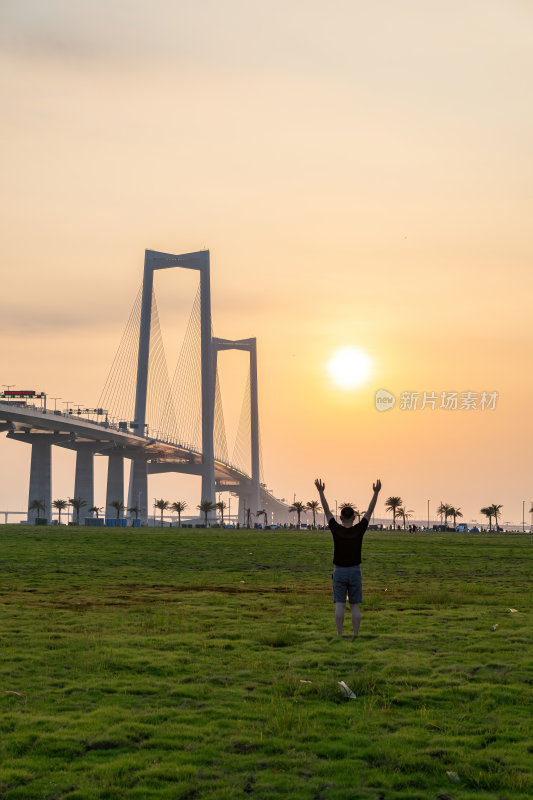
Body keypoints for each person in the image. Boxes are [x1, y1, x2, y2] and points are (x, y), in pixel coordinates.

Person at [314, 478, 382, 638]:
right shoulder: (359, 529)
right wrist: (376, 493)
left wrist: (321, 492)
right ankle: (356, 635)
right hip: (355, 571)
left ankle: (339, 634)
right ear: (354, 518)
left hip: (339, 571)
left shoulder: (336, 529)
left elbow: (326, 510)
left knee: (339, 604)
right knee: (354, 606)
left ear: (340, 518)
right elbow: (370, 511)